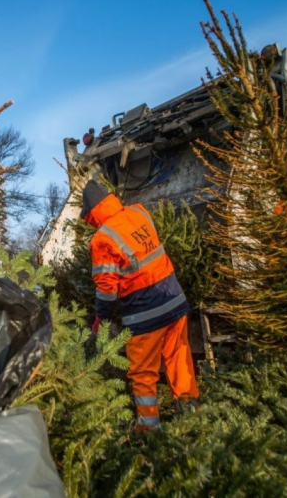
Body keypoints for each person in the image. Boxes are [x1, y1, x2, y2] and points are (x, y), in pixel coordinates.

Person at [80, 180, 200, 431]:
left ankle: (149, 429)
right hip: (174, 301)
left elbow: (107, 289)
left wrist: (101, 320)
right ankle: (191, 419)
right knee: (179, 358)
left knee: (143, 373)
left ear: (91, 213)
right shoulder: (138, 211)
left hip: (145, 313)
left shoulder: (102, 240)